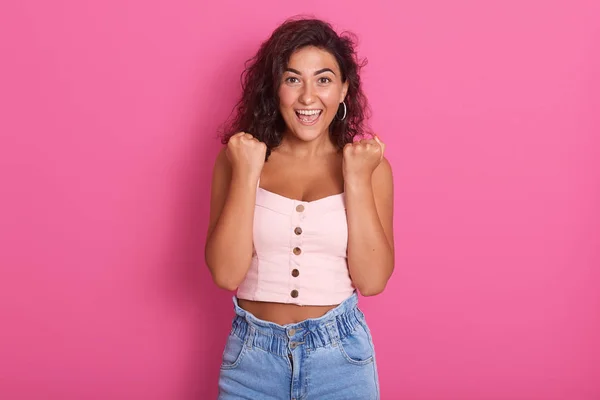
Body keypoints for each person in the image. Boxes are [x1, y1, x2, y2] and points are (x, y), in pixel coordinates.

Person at [205, 16, 394, 400]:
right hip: (252, 359)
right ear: (274, 88)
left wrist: (355, 179)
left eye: (323, 80)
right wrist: (247, 174)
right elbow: (226, 274)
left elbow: (372, 282)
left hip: (341, 360)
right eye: (293, 79)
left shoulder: (368, 166)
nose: (308, 97)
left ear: (343, 89)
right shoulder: (239, 159)